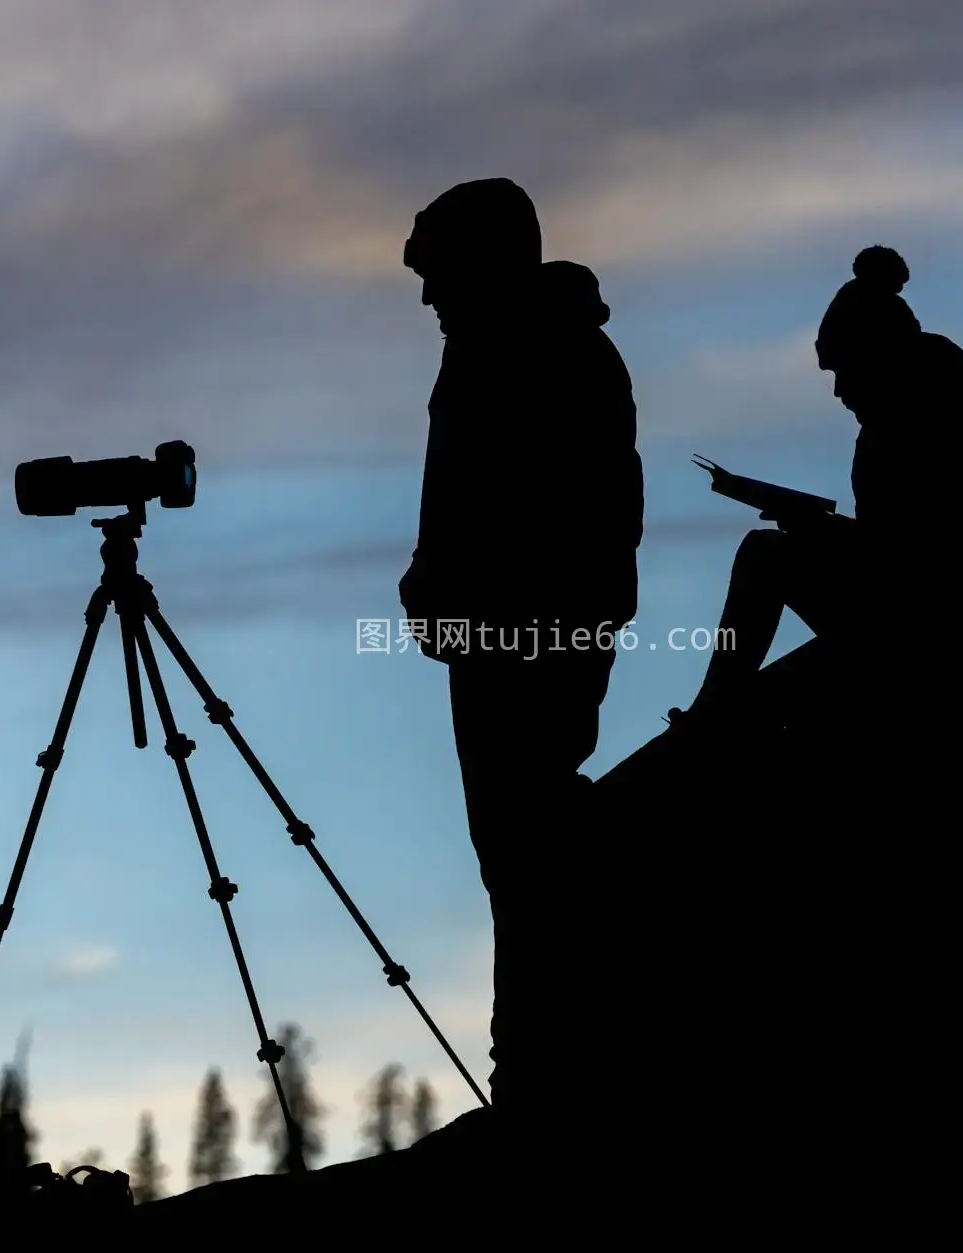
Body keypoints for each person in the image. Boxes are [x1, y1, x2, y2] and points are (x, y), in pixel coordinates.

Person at [398, 178, 644, 1118]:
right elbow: (461, 493)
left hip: (533, 635)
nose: (428, 300)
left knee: (526, 835)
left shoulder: (550, 352)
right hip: (495, 630)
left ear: (484, 263)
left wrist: (473, 591)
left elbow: (581, 511)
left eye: (438, 276)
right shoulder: (490, 350)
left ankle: (543, 1068)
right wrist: (432, 580)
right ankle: (539, 1062)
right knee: (514, 840)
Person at [678, 244, 963, 721]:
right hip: (923, 615)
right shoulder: (911, 421)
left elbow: (917, 558)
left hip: (942, 630)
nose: (839, 390)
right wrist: (821, 527)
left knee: (765, 555)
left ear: (875, 353)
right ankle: (716, 710)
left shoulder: (940, 427)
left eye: (842, 369)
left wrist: (821, 530)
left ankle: (712, 714)